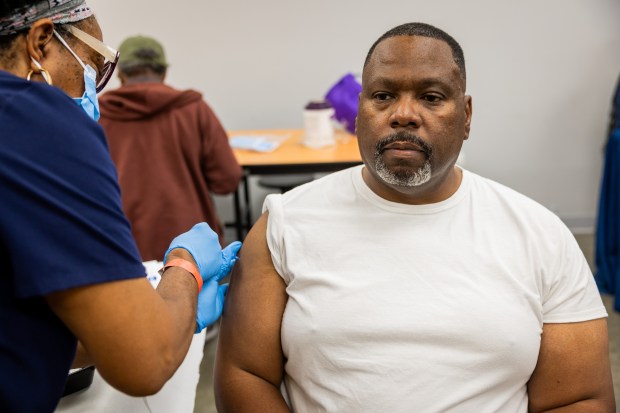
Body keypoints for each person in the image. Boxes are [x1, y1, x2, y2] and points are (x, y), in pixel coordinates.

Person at [214, 22, 616, 412]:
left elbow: (579, 398)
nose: (403, 114)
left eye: (432, 97)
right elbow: (243, 374)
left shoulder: (540, 235)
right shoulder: (285, 224)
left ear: (467, 116)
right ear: (357, 113)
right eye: (384, 96)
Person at [0, 1, 239, 412]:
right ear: (40, 42)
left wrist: (149, 318)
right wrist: (184, 269)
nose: (91, 88)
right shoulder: (35, 119)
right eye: (92, 66)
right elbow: (144, 363)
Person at [99, 34, 242, 261]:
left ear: (121, 74)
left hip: (124, 249)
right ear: (164, 73)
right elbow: (227, 180)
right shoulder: (194, 109)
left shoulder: (98, 115)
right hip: (192, 249)